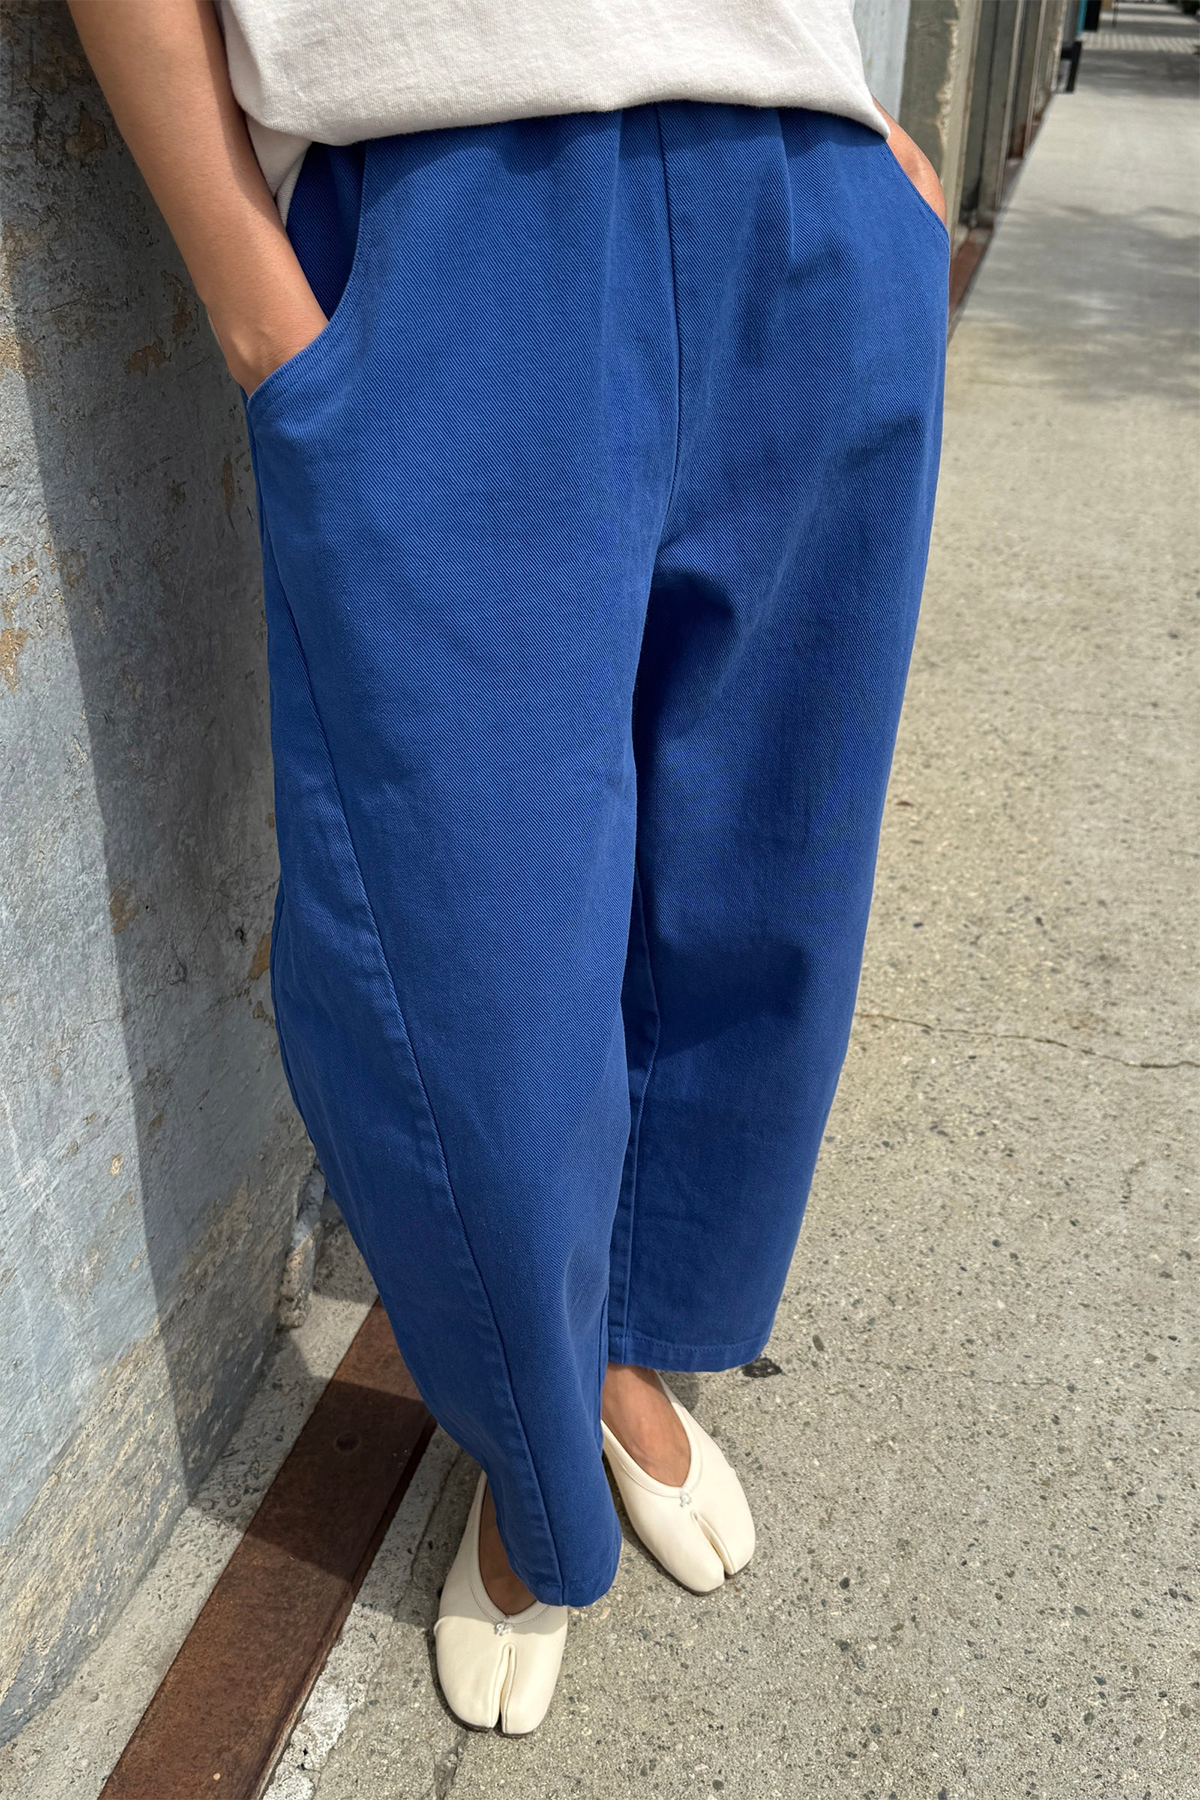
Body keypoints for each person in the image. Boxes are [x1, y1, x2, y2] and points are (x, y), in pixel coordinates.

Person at [66, 0, 948, 1736]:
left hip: (810, 195)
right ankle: (537, 1457)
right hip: (451, 217)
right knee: (465, 959)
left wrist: (870, 124)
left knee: (762, 887)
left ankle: (626, 1349)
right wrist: (254, 290)